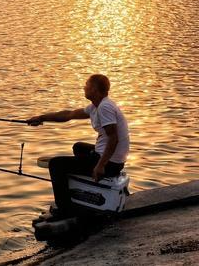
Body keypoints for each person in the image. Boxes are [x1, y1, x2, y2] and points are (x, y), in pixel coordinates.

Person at [27, 74, 130, 216]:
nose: (84, 87)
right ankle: (81, 191)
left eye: (87, 85)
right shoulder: (97, 106)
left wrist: (100, 165)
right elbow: (69, 114)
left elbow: (113, 139)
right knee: (78, 147)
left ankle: (64, 209)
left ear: (94, 89)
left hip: (110, 163)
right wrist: (41, 118)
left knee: (56, 165)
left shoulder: (104, 107)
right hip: (111, 159)